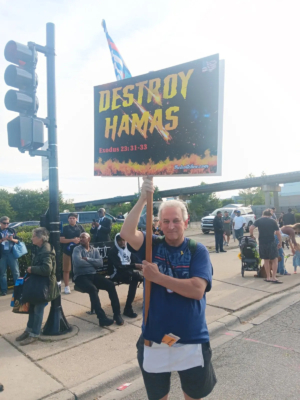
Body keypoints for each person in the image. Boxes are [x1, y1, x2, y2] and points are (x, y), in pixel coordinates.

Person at [120, 178, 216, 400]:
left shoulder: (197, 250)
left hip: (191, 337)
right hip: (154, 337)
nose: (171, 226)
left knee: (193, 395)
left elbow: (196, 290)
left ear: (185, 221)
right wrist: (144, 198)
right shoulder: (152, 245)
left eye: (176, 220)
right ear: (159, 224)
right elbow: (126, 232)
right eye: (165, 221)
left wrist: (157, 277)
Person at [15, 228, 60, 346]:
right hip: (39, 284)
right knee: (32, 308)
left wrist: (32, 269)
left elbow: (47, 269)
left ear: (40, 238)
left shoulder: (46, 251)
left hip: (44, 286)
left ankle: (34, 334)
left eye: (33, 236)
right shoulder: (42, 248)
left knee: (38, 310)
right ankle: (29, 331)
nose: (31, 238)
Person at [72, 232, 124, 326]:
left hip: (93, 275)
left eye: (83, 237)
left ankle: (117, 315)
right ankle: (102, 318)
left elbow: (100, 263)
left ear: (89, 239)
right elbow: (78, 263)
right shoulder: (77, 249)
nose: (81, 239)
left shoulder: (94, 250)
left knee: (110, 285)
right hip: (80, 276)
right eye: (80, 237)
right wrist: (93, 263)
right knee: (93, 289)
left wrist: (87, 259)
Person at [108, 234, 143, 318]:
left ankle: (129, 307)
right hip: (116, 274)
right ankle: (128, 308)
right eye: (119, 240)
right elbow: (119, 267)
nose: (122, 242)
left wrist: (140, 266)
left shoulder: (128, 249)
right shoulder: (113, 251)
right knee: (135, 277)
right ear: (116, 241)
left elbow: (134, 261)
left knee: (140, 276)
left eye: (123, 240)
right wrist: (134, 266)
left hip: (127, 272)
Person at [249, 209, 282, 283]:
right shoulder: (273, 221)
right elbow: (278, 232)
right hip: (271, 242)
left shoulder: (259, 220)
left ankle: (268, 277)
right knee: (274, 260)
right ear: (270, 215)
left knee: (266, 260)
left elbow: (251, 228)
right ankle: (274, 277)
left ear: (263, 214)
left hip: (262, 242)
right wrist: (280, 242)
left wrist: (252, 235)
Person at [60, 213, 85, 294]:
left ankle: (80, 284)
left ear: (76, 219)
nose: (72, 219)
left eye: (73, 218)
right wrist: (72, 240)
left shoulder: (80, 227)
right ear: (68, 219)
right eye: (70, 218)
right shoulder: (65, 228)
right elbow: (61, 240)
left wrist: (80, 240)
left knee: (80, 268)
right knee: (66, 269)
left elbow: (86, 237)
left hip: (79, 251)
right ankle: (67, 286)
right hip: (67, 251)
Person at [0, 216, 20, 296]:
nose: (6, 225)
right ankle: (4, 290)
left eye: (8, 223)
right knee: (2, 273)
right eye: (4, 223)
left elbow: (18, 241)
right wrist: (3, 239)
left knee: (16, 272)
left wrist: (11, 239)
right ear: (0, 223)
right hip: (2, 255)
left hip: (11, 253)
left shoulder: (11, 230)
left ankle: (18, 289)